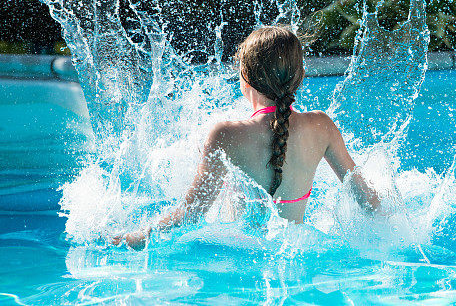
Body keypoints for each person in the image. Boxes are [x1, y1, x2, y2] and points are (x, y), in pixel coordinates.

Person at [115, 26, 379, 249]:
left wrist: (133, 237)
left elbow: (189, 215)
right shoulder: (322, 126)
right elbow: (368, 200)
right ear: (298, 77)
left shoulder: (225, 134)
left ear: (245, 77)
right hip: (297, 250)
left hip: (240, 255)